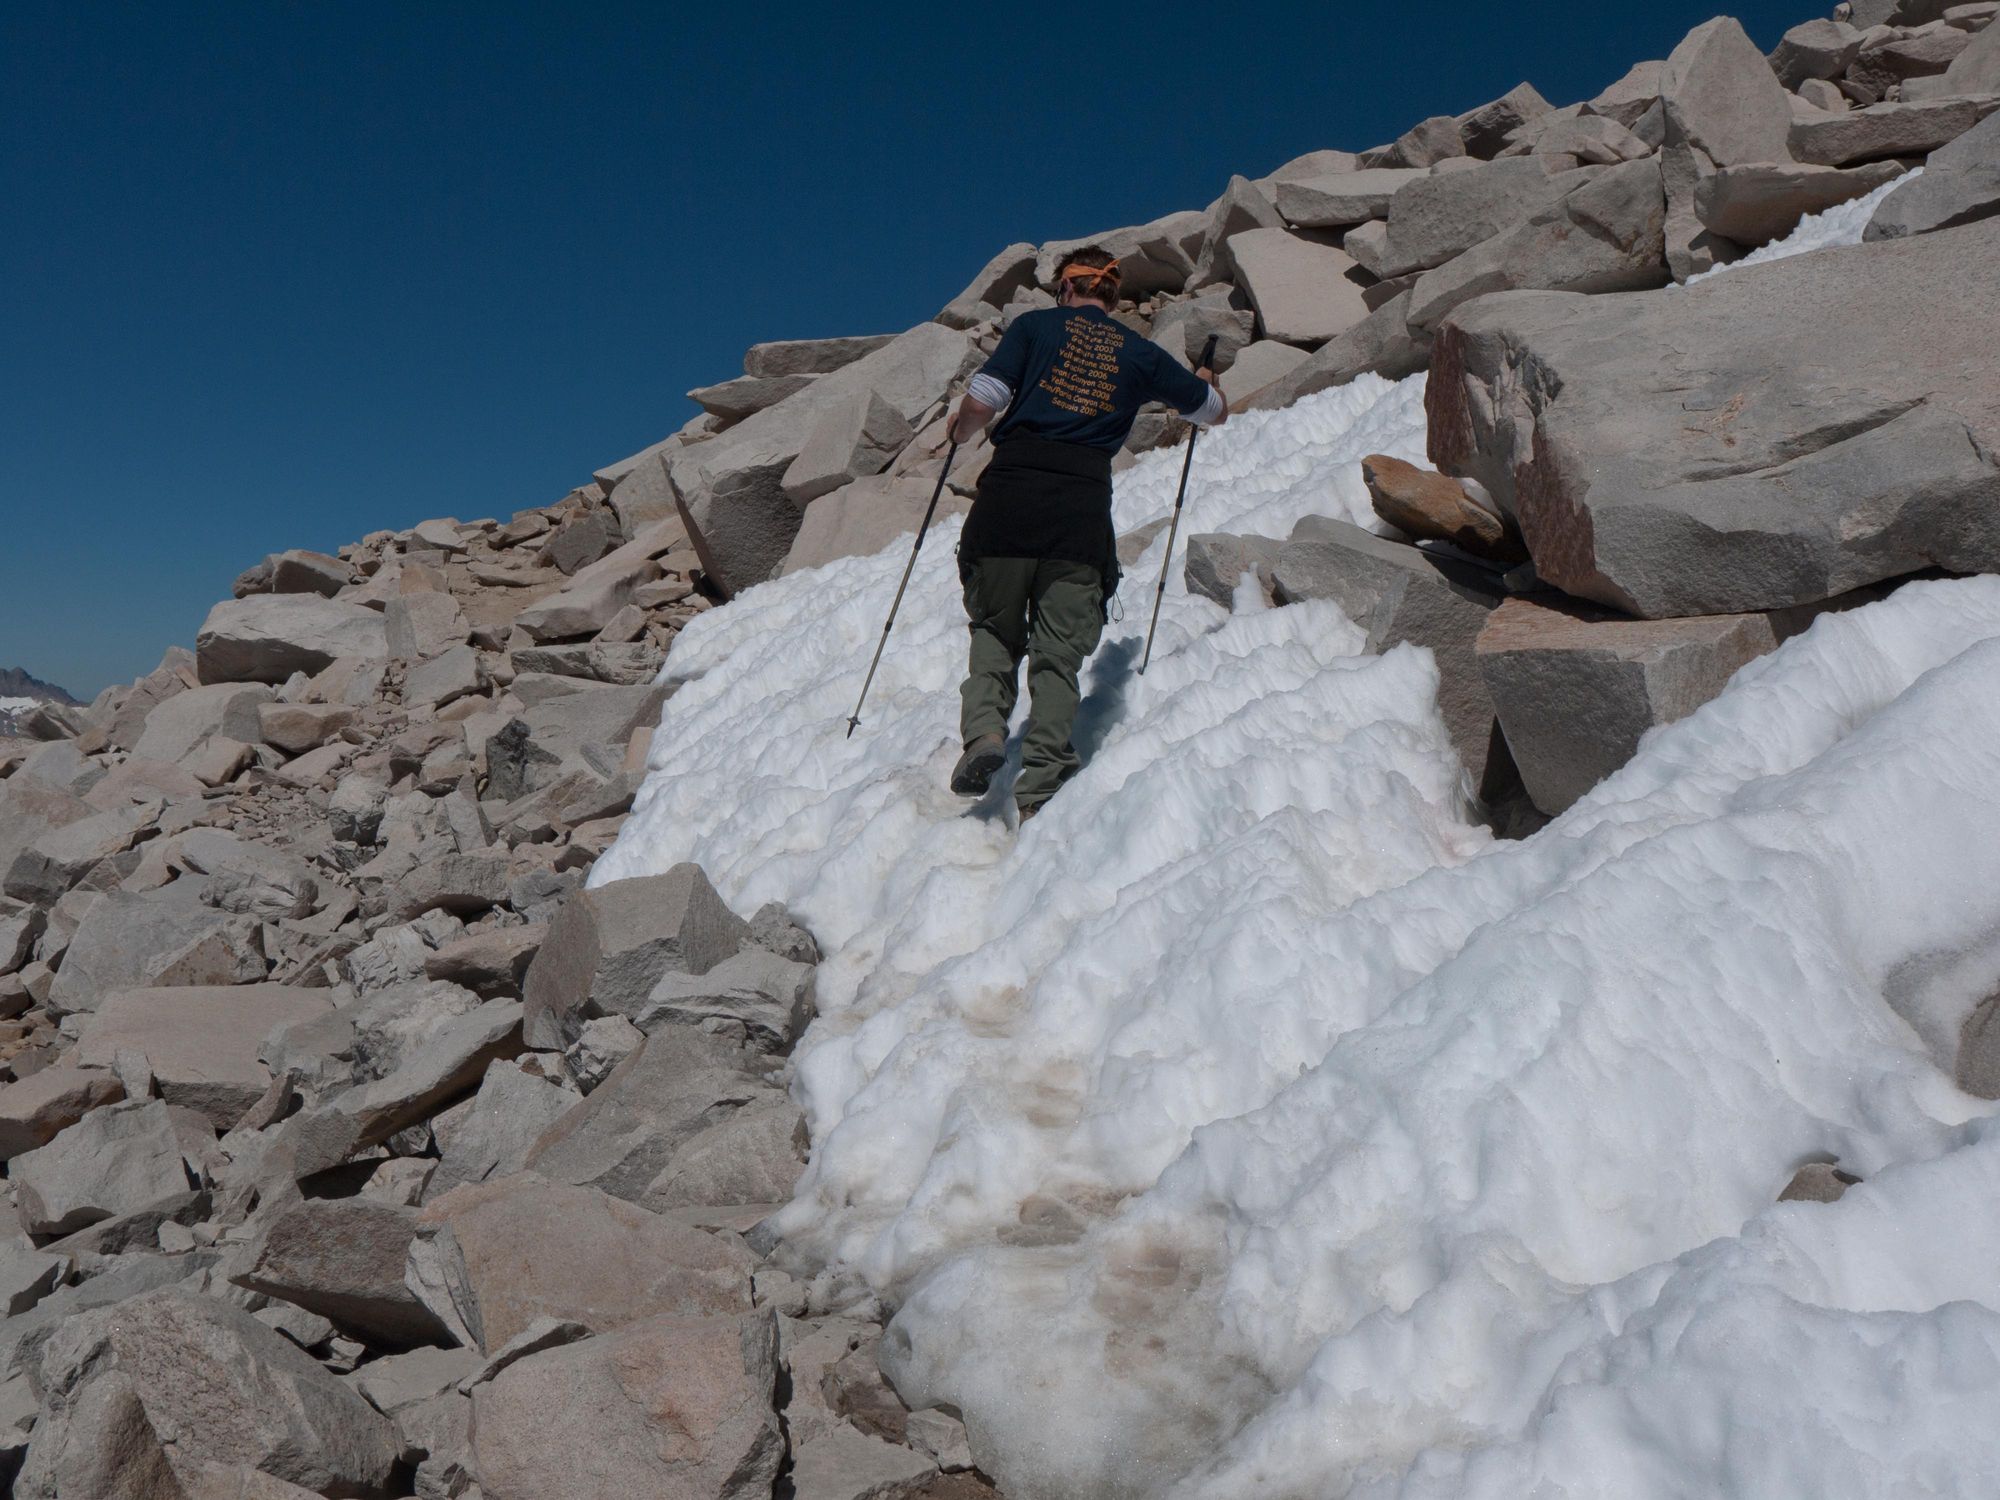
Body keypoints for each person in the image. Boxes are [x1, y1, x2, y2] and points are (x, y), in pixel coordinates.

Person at [941, 248, 1228, 823]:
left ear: (1065, 289)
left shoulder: (1033, 328)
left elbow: (983, 403)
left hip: (1008, 503)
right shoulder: (1139, 352)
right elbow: (1211, 412)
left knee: (995, 628)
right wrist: (1205, 381)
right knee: (1057, 651)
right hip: (1078, 510)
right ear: (1111, 296)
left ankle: (985, 736)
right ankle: (1042, 785)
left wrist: (958, 427)